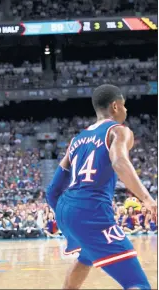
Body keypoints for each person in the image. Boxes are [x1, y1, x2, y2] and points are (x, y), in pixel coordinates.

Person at [46, 84, 156, 289]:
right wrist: (148, 199)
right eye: (125, 106)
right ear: (115, 106)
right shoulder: (119, 131)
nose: (126, 110)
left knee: (86, 257)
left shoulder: (76, 140)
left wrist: (66, 213)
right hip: (90, 211)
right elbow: (119, 162)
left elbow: (52, 190)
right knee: (137, 283)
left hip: (66, 208)